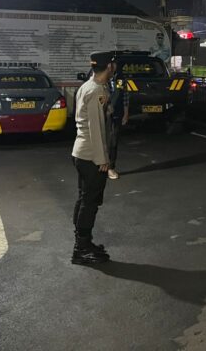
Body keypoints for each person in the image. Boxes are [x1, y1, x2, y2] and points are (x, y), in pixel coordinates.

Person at [71, 51, 116, 265]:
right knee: (90, 202)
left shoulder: (90, 86)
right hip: (90, 155)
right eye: (113, 64)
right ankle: (81, 249)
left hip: (82, 152)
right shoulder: (96, 90)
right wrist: (102, 159)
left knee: (84, 199)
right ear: (109, 67)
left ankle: (84, 243)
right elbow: (95, 128)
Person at [106, 74, 130, 180]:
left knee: (113, 140)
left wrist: (126, 114)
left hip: (117, 114)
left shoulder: (120, 80)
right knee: (102, 141)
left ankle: (110, 167)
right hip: (103, 115)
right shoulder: (100, 79)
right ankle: (100, 167)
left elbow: (125, 97)